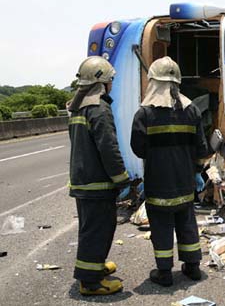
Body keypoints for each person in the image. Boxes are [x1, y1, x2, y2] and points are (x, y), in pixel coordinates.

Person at [131, 56, 209, 287]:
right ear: (177, 82)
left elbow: (138, 149)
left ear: (153, 82)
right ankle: (193, 266)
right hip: (185, 181)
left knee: (162, 226)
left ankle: (164, 272)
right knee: (186, 222)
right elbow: (202, 148)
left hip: (158, 182)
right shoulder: (192, 110)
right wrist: (195, 171)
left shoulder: (144, 114)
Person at [67, 56, 130, 295]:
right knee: (98, 229)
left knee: (91, 228)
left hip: (83, 181)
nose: (112, 83)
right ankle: (90, 282)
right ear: (103, 81)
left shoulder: (79, 106)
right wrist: (122, 178)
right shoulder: (99, 108)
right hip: (97, 183)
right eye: (111, 79)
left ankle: (95, 266)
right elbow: (108, 147)